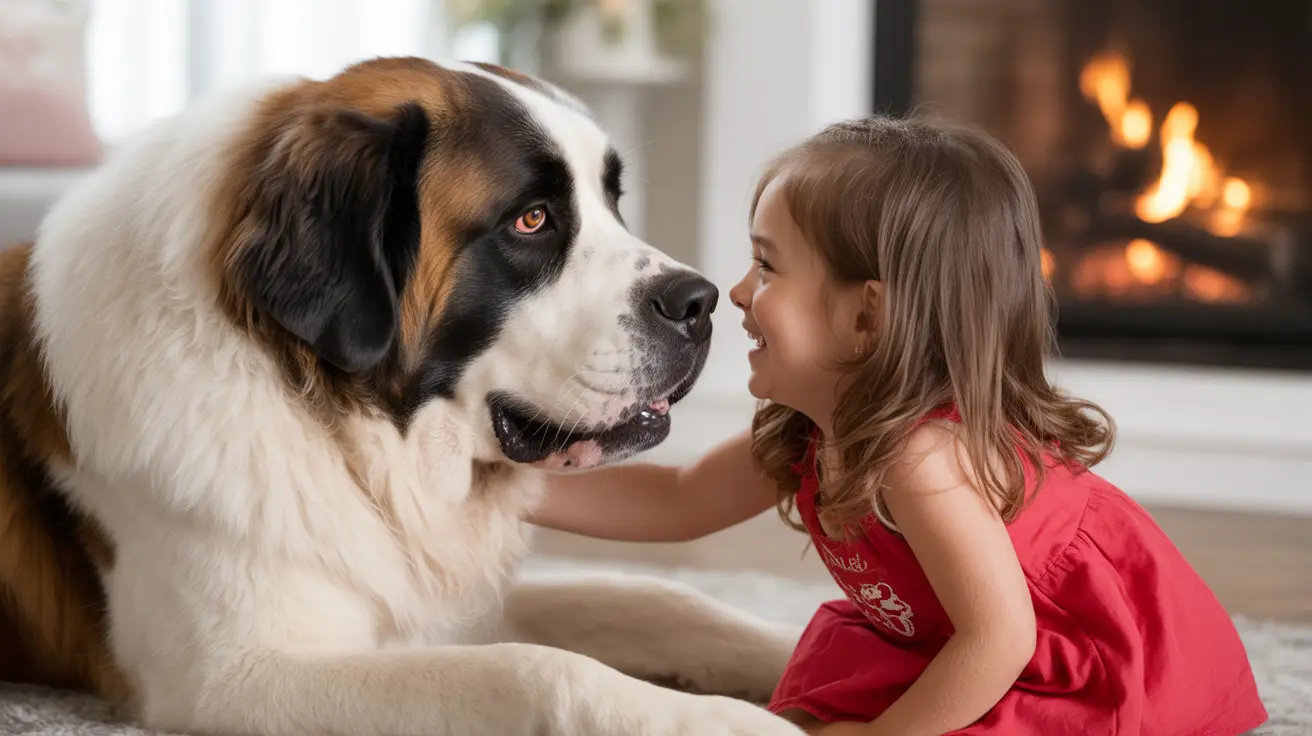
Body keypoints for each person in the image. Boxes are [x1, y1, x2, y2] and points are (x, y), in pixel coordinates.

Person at [528, 115, 1268, 735]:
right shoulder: (809, 429)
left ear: (866, 318)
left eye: (768, 266)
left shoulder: (922, 458)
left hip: (1086, 657)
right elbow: (680, 500)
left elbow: (1001, 638)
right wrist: (509, 488)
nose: (740, 290)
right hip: (959, 635)